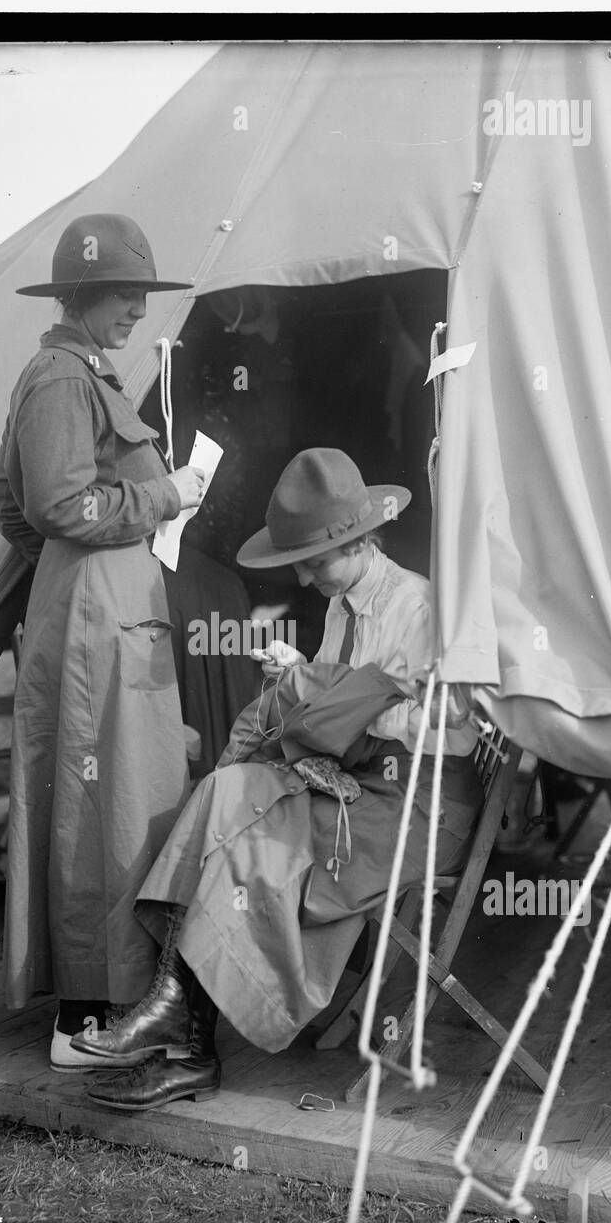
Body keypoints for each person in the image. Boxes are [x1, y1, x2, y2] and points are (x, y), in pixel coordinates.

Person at [72, 447, 483, 1109]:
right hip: (358, 784)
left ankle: (183, 1042)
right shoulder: (344, 602)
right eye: (300, 561)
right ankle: (176, 1021)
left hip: (416, 805)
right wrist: (312, 685)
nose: (305, 573)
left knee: (247, 842)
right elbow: (330, 701)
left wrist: (346, 702)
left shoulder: (418, 606)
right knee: (220, 792)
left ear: (361, 539)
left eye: (317, 560)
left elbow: (458, 722)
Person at [0, 213, 205, 1071]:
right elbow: (51, 506)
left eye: (141, 296)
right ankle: (83, 1022)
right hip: (95, 631)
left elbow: (18, 505)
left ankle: (112, 1003)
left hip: (104, 617)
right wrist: (167, 497)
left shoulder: (79, 375)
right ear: (81, 296)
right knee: (91, 814)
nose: (137, 312)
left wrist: (75, 572)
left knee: (115, 808)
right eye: (124, 295)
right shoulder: (58, 380)